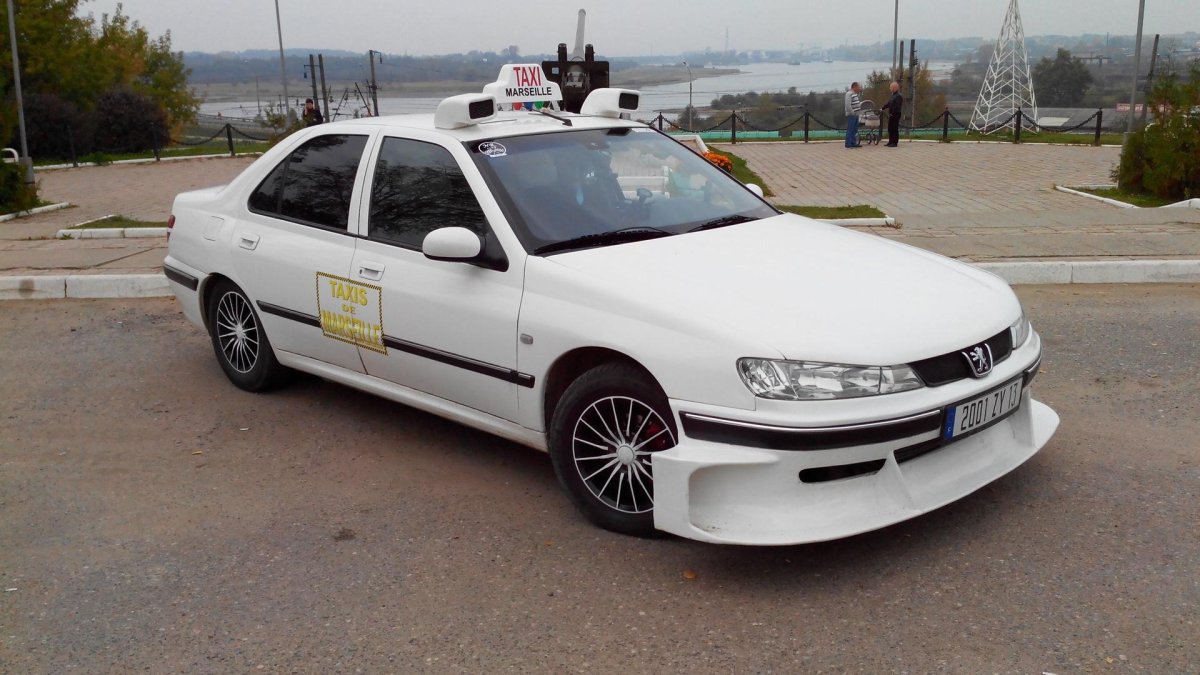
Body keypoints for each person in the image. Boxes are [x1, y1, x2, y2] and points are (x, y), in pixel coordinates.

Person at [880, 82, 903, 147]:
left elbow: (896, 106)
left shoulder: (898, 96)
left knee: (894, 128)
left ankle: (894, 142)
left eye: (891, 87)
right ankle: (890, 141)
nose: (890, 88)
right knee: (890, 128)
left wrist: (892, 113)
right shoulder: (893, 95)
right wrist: (882, 108)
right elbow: (889, 103)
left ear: (895, 88)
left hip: (895, 114)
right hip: (891, 114)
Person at [844, 82, 863, 148]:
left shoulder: (855, 94)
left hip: (856, 114)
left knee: (855, 129)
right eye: (858, 87)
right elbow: (848, 104)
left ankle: (853, 142)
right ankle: (848, 144)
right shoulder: (849, 94)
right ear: (854, 87)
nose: (859, 88)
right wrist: (852, 112)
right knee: (850, 129)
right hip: (852, 114)